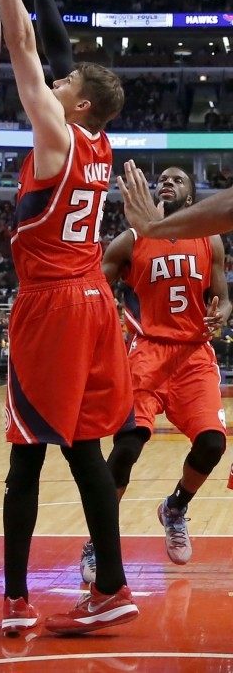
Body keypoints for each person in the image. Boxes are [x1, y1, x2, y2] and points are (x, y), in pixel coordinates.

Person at [0, 0, 138, 637]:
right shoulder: (98, 146)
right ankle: (111, 584)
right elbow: (62, 52)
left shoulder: (56, 132)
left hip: (51, 306)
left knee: (25, 456)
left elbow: (23, 46)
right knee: (84, 451)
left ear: (76, 105)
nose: (57, 82)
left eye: (66, 85)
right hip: (95, 302)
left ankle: (15, 601)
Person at [80, 167, 230, 584]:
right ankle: (98, 541)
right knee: (127, 446)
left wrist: (222, 312)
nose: (166, 181)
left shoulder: (210, 239)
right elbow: (94, 287)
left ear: (191, 196)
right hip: (146, 352)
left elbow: (224, 296)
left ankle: (176, 506)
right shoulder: (130, 239)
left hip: (194, 354)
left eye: (178, 178)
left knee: (213, 443)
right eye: (161, 178)